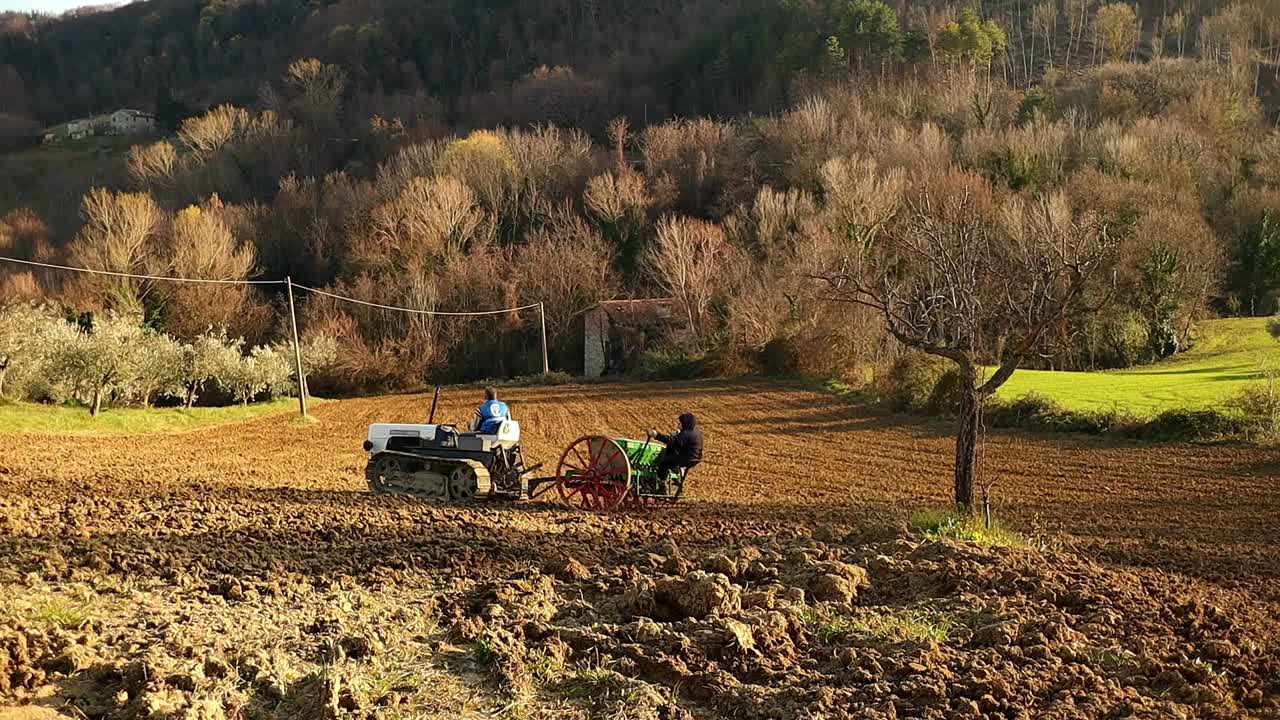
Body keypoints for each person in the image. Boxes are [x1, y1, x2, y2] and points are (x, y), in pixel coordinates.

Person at [649, 412, 703, 480]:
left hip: (686, 458)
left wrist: (657, 435)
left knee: (665, 462)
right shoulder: (697, 433)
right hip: (695, 458)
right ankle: (675, 470)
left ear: (685, 424)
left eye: (679, 424)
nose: (678, 425)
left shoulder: (686, 433)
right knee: (672, 455)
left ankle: (661, 481)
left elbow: (672, 442)